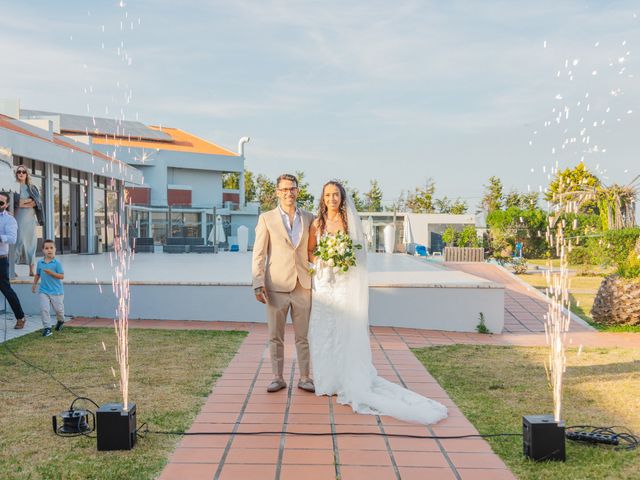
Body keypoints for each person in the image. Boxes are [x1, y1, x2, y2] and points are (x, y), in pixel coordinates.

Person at [307, 180, 448, 425]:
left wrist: (340, 260)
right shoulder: (317, 224)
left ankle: (344, 378)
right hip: (323, 284)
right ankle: (326, 380)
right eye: (327, 195)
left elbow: (358, 256)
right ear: (322, 198)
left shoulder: (350, 223)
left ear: (342, 198)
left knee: (342, 332)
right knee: (322, 332)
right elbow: (310, 251)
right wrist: (324, 261)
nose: (331, 199)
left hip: (342, 285)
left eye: (335, 195)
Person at [252, 174, 315, 393]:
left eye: (292, 189)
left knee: (303, 336)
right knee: (275, 335)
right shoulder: (266, 218)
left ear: (298, 191)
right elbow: (259, 254)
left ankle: (306, 377)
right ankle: (277, 377)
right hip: (275, 285)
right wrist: (257, 283)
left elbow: (314, 250)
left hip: (303, 285)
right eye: (284, 189)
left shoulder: (310, 218)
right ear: (278, 192)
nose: (289, 193)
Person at [0, 192, 27, 329]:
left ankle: (20, 316)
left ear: (6, 205)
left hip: (1, 260)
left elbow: (12, 238)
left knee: (6, 290)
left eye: (1, 202)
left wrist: (0, 237)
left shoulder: (9, 220)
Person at [14, 166, 44, 277]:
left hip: (31, 221)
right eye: (19, 172)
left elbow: (37, 203)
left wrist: (24, 202)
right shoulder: (14, 187)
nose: (21, 173)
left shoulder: (32, 188)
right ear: (16, 174)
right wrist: (27, 202)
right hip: (18, 220)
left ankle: (31, 270)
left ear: (27, 174)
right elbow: (16, 203)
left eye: (23, 172)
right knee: (18, 242)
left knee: (32, 244)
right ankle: (12, 269)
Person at [31, 239, 65, 337]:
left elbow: (62, 276)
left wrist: (51, 273)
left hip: (56, 291)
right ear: (43, 250)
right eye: (46, 248)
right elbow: (37, 274)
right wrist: (34, 285)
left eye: (51, 248)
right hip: (44, 290)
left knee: (59, 310)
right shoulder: (40, 262)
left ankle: (61, 320)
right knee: (44, 309)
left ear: (55, 249)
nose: (49, 250)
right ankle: (47, 328)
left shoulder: (57, 263)